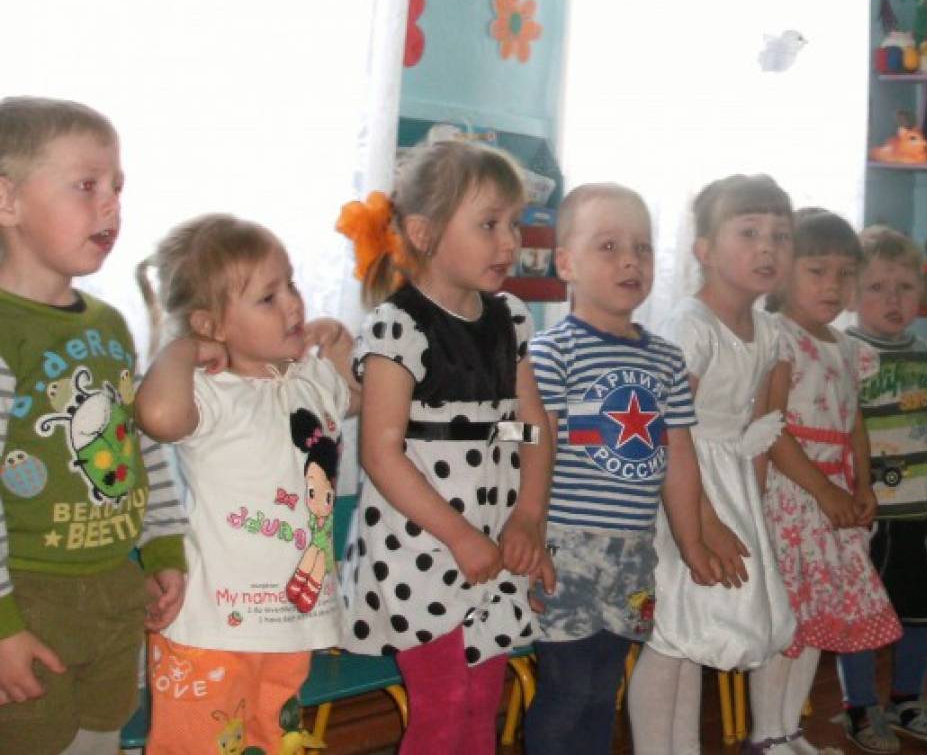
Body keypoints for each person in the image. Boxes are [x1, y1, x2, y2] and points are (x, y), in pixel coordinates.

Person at [339, 140, 555, 755]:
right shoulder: (398, 326)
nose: (509, 242)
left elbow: (527, 427)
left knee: (482, 703)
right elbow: (383, 452)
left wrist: (529, 516)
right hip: (423, 549)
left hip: (495, 541)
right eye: (489, 225)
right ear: (424, 233)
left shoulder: (510, 319)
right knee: (445, 705)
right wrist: (460, 536)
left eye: (514, 223)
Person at [0, 96, 188, 755]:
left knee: (100, 737)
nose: (111, 205)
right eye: (87, 186)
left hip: (112, 586)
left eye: (117, 187)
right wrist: (2, 622)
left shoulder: (108, 325)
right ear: (7, 201)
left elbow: (139, 447)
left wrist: (163, 546)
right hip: (29, 594)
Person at [134, 214, 359, 753]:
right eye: (268, 297)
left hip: (290, 624)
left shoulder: (310, 381)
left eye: (292, 285)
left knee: (274, 743)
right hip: (211, 629)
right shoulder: (212, 391)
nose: (293, 305)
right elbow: (157, 416)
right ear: (211, 326)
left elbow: (355, 400)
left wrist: (340, 346)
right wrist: (181, 349)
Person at [524, 183, 725, 755]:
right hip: (564, 550)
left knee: (602, 690)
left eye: (642, 247)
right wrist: (529, 533)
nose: (631, 260)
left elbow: (678, 455)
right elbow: (531, 445)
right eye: (609, 246)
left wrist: (692, 539)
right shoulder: (550, 352)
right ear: (567, 263)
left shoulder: (665, 358)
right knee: (566, 689)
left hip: (633, 554)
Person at [627, 175, 799, 755]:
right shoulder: (692, 327)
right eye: (749, 233)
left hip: (729, 488)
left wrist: (750, 511)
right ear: (705, 250)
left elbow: (756, 434)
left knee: (696, 632)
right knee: (671, 632)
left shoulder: (768, 331)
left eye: (780, 236)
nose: (768, 247)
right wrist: (699, 521)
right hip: (682, 491)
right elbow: (665, 433)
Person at [753, 208, 902, 755]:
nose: (833, 286)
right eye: (817, 271)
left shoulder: (847, 347)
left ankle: (790, 732)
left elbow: (853, 422)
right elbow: (771, 429)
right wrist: (823, 490)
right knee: (787, 626)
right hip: (794, 498)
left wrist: (863, 486)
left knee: (817, 622)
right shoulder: (777, 337)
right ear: (782, 272)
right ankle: (766, 736)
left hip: (834, 499)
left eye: (845, 273)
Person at [835, 225, 927, 753]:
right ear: (851, 294)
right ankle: (859, 707)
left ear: (921, 293)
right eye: (877, 288)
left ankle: (908, 699)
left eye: (905, 288)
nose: (893, 300)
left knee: (925, 611)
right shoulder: (843, 354)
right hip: (866, 517)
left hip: (922, 514)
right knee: (860, 614)